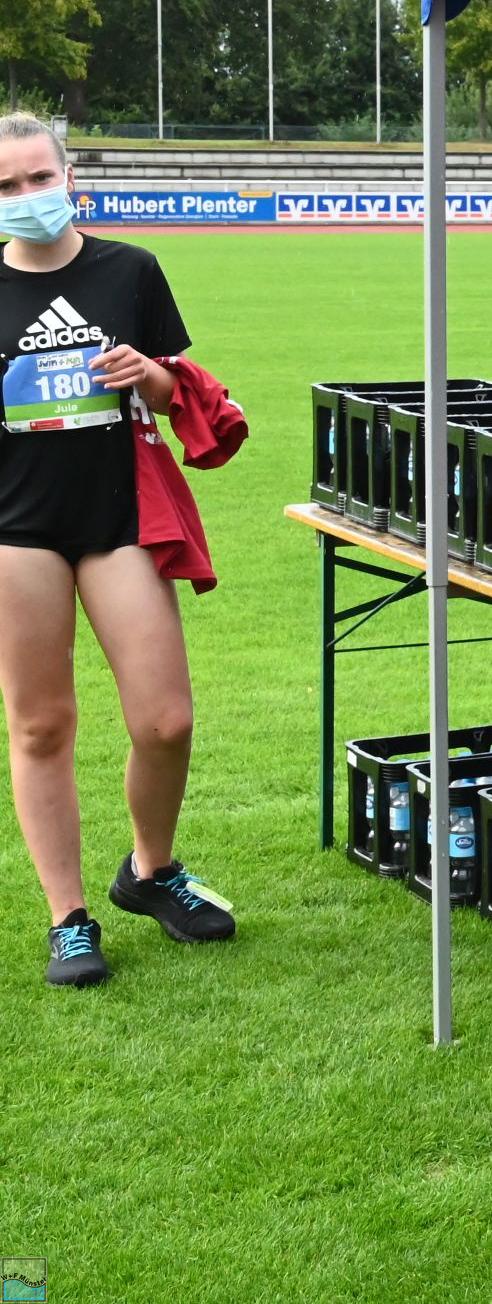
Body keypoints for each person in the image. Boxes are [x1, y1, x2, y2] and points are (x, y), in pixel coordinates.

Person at [0, 115, 228, 989]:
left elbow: (176, 393)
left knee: (166, 720)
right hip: (16, 528)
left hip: (120, 519)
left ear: (70, 177)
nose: (27, 196)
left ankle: (149, 870)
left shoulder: (129, 270)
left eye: (38, 177)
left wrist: (151, 374)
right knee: (41, 724)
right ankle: (68, 919)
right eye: (7, 186)